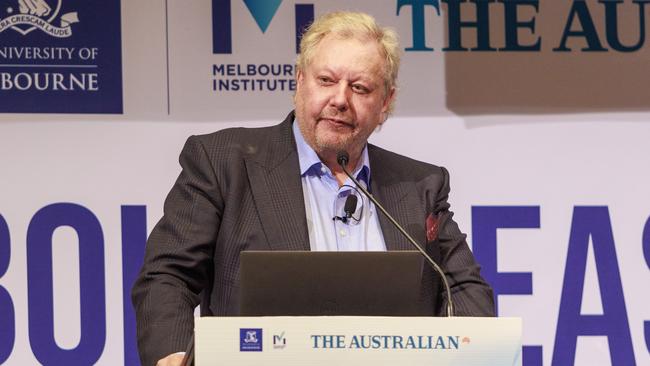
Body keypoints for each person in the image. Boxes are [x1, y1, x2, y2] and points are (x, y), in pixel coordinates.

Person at [132, 11, 495, 366]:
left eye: (359, 87)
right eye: (326, 80)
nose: (340, 99)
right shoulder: (224, 163)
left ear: (385, 103)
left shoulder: (420, 186)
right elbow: (169, 275)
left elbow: (463, 287)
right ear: (299, 82)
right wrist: (173, 353)